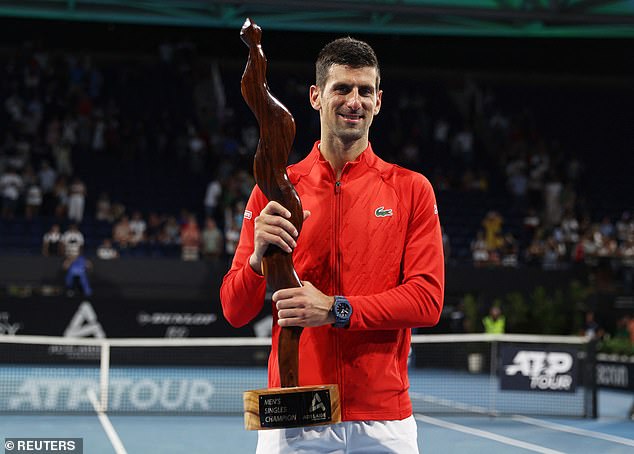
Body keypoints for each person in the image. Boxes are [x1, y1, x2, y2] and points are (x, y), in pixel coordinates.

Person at [220, 37, 444, 453]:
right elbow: (234, 310)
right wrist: (255, 261)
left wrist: (336, 309)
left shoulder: (412, 190)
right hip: (294, 411)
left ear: (379, 101)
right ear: (316, 96)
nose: (353, 101)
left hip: (382, 419)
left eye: (364, 90)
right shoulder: (273, 191)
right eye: (342, 88)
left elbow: (427, 301)